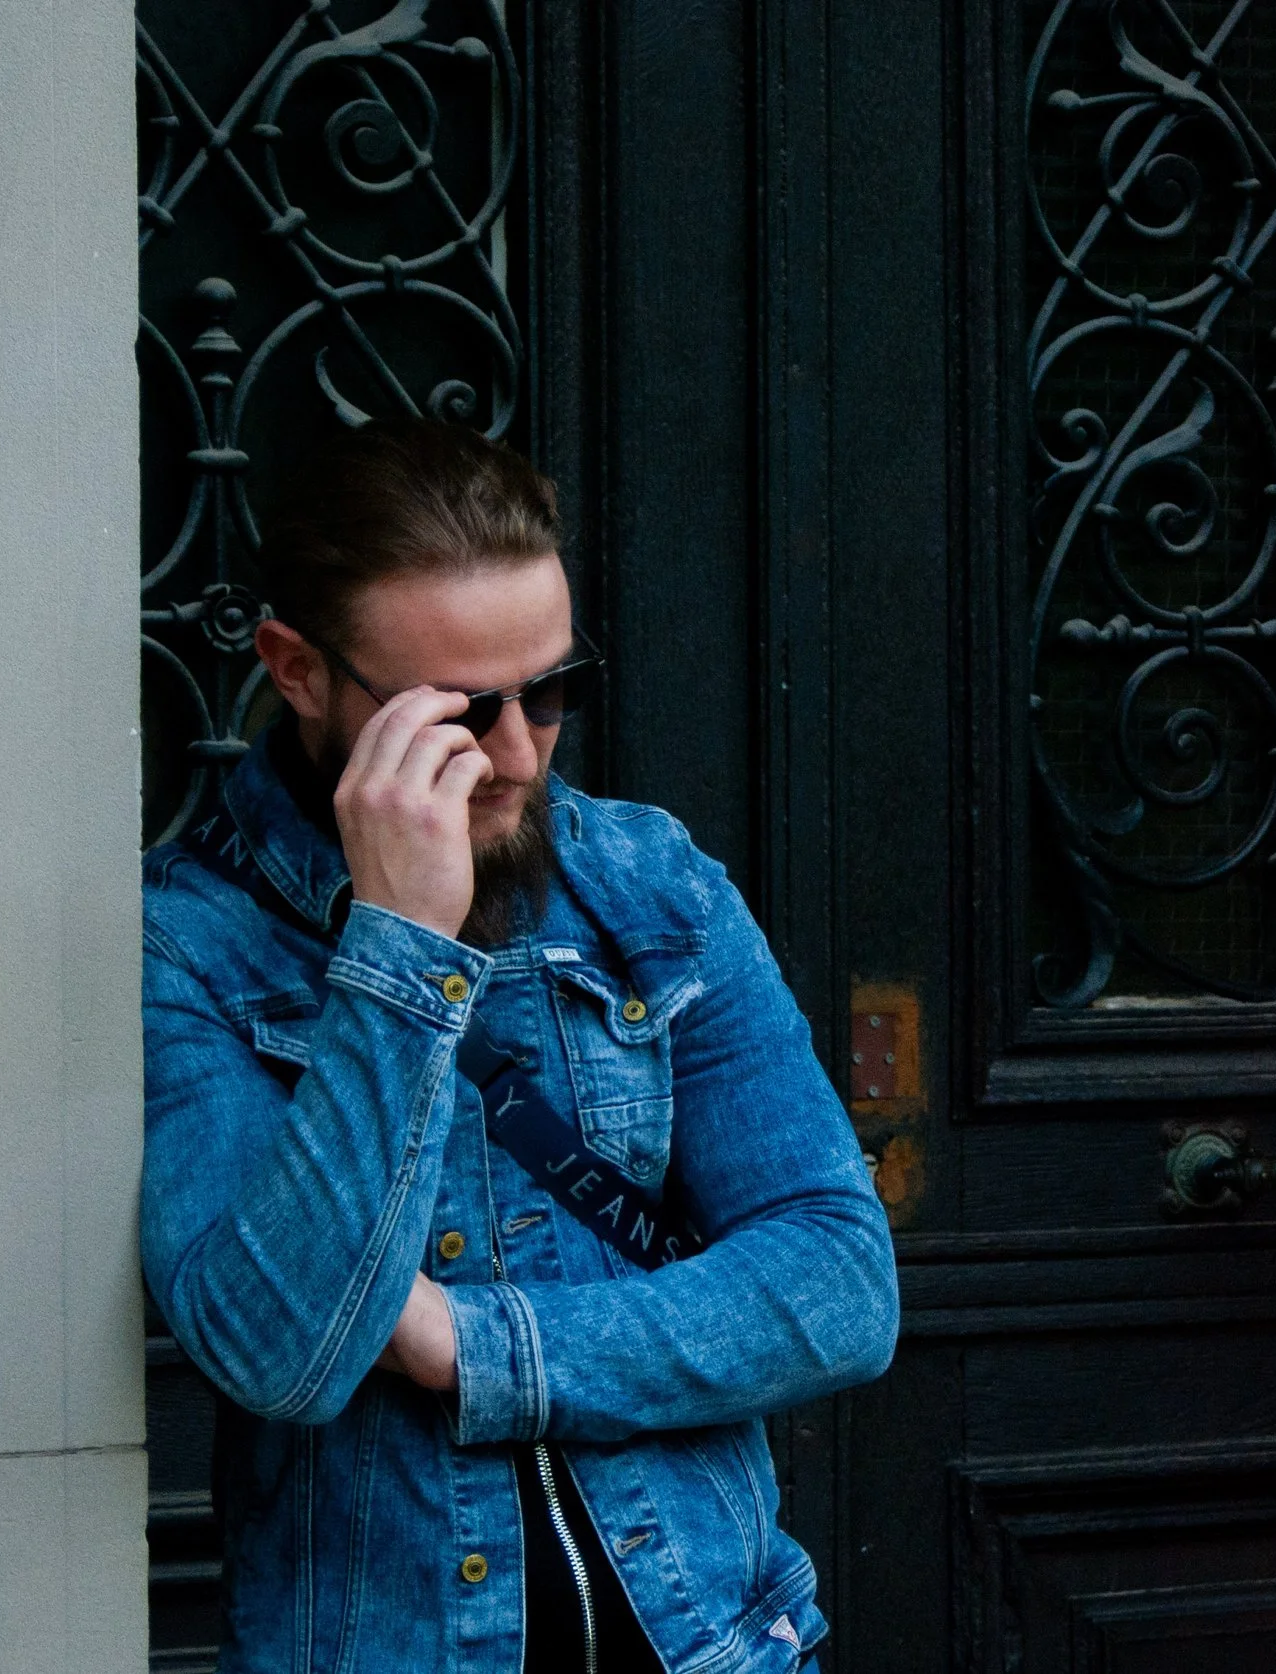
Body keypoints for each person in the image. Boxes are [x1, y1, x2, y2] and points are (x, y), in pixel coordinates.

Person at [140, 417, 897, 1672]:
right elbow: (285, 1355)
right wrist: (398, 948)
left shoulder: (649, 885)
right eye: (457, 710)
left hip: (723, 1646)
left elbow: (838, 1286)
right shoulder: (187, 949)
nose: (515, 754)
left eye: (551, 691)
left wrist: (472, 1348)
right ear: (294, 667)